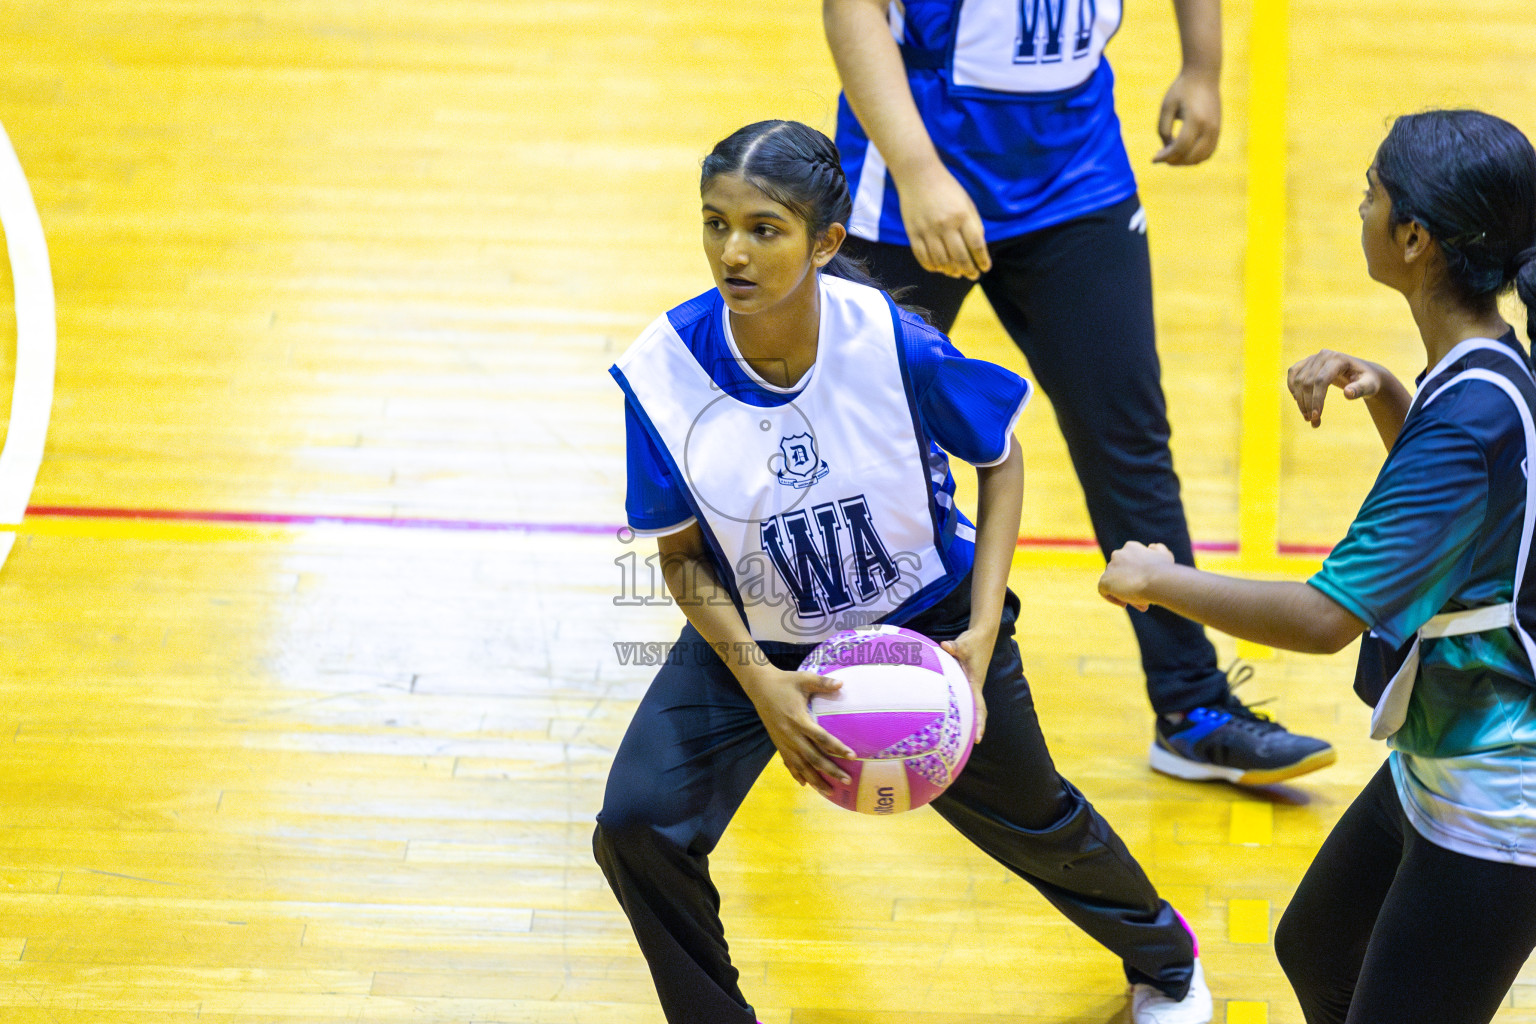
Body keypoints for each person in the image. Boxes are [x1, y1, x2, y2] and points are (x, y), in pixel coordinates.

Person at [595, 119, 1212, 1024]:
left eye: (764, 228)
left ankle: (1168, 959)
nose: (733, 251)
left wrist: (985, 624)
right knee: (637, 825)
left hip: (928, 620)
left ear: (826, 242)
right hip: (761, 634)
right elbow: (682, 559)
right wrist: (761, 681)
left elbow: (1000, 458)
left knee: (1030, 818)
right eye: (714, 223)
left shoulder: (892, 341)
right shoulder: (663, 374)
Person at [821, 0, 1335, 785]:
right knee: (834, 448)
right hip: (908, 187)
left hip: (1075, 180)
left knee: (1127, 439)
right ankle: (778, 686)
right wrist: (920, 173)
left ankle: (1192, 708)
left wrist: (1203, 66)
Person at [1098, 109, 1536, 1024]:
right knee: (1318, 947)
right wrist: (1390, 399)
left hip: (1501, 806)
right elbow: (1457, 526)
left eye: (1371, 192)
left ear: (1414, 239)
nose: (1361, 205)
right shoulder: (1486, 367)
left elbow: (1326, 619)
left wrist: (1156, 582)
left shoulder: (1466, 419)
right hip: (1447, 757)